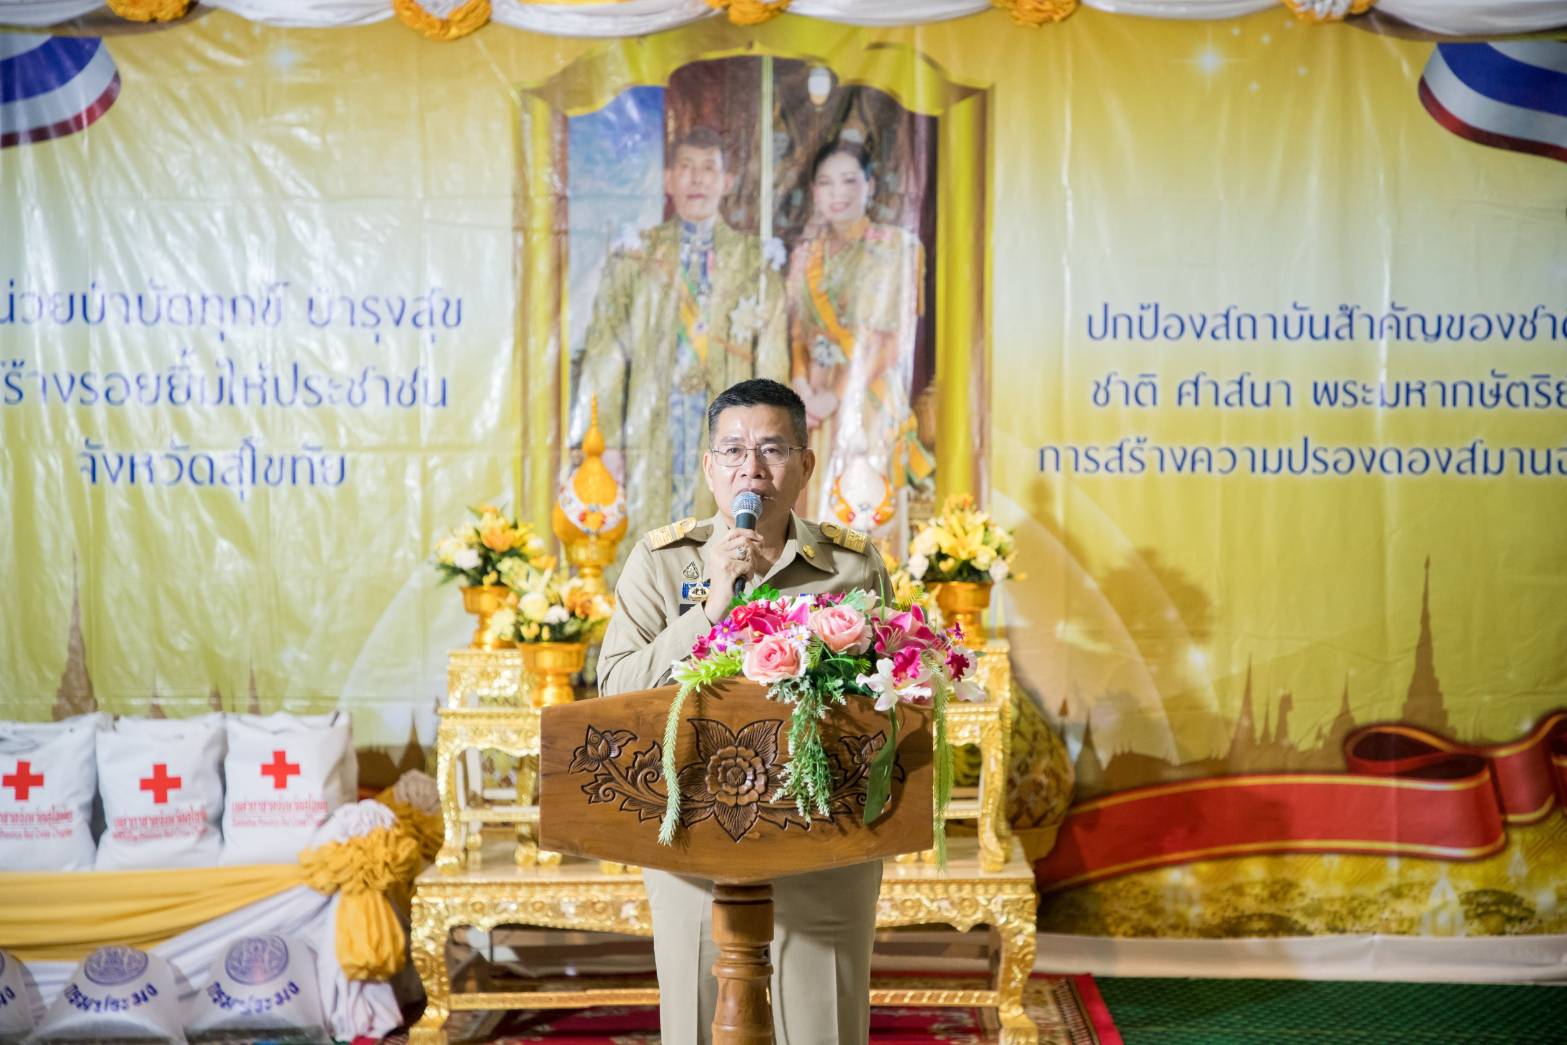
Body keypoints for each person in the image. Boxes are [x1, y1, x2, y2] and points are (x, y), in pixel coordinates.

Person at [598, 378, 893, 1044]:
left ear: (805, 464)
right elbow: (614, 691)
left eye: (770, 449)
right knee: (699, 1022)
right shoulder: (661, 562)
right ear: (709, 468)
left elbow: (887, 695)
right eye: (731, 451)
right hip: (692, 830)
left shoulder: (850, 565)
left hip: (825, 829)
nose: (750, 469)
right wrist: (710, 609)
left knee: (826, 1022)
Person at [573, 126, 789, 548]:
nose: (697, 179)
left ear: (727, 181)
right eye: (686, 168)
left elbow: (774, 361)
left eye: (709, 168)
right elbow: (606, 353)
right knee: (650, 541)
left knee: (729, 537)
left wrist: (768, 445)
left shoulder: (755, 261)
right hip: (651, 423)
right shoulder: (636, 256)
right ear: (668, 179)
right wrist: (606, 444)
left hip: (731, 432)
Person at [787, 139, 931, 547]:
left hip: (871, 393)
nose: (838, 194)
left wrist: (839, 395)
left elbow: (897, 338)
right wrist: (801, 386)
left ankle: (879, 607)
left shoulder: (896, 247)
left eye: (850, 181)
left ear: (870, 184)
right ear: (814, 191)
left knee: (868, 501)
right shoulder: (806, 255)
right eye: (826, 183)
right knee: (814, 505)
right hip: (814, 405)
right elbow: (798, 332)